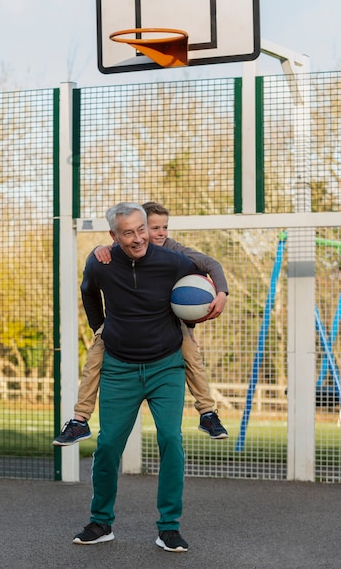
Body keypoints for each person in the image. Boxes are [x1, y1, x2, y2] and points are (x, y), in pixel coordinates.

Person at [71, 202, 205, 551]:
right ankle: (101, 522)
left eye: (141, 229)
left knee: (171, 440)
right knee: (109, 444)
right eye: (127, 232)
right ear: (113, 236)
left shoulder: (173, 262)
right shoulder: (99, 262)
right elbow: (87, 291)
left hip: (166, 366)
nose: (137, 238)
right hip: (119, 368)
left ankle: (169, 528)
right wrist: (99, 326)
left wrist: (217, 295)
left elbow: (203, 275)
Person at [53, 202, 229, 449]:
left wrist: (221, 293)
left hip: (171, 324)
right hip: (120, 331)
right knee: (94, 359)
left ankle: (207, 412)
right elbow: (90, 287)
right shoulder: (114, 252)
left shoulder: (173, 252)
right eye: (154, 227)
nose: (160, 233)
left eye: (162, 228)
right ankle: (80, 419)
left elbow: (210, 265)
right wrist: (97, 250)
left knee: (192, 356)